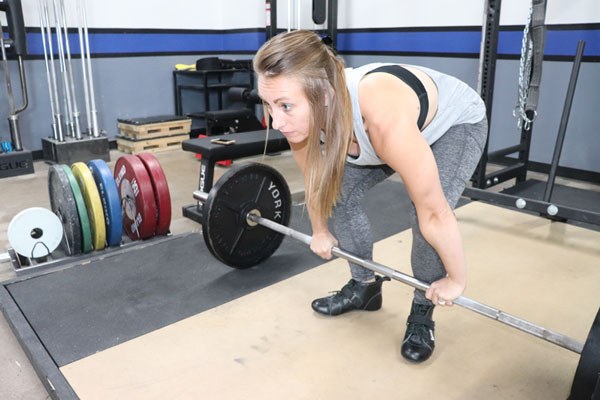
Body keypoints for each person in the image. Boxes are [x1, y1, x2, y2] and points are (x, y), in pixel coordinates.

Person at [253, 30, 487, 363]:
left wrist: (455, 279)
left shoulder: (381, 116)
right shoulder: (299, 114)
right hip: (380, 133)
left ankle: (423, 309)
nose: (276, 121)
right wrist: (320, 230)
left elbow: (435, 214)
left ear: (323, 93)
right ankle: (364, 288)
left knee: (423, 218)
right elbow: (316, 179)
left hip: (452, 126)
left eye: (285, 106)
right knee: (338, 195)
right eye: (269, 105)